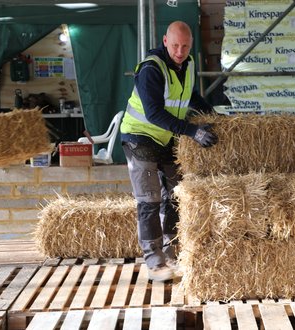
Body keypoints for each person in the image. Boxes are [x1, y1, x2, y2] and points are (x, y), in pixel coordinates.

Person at [120, 21, 217, 282]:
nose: (179, 50)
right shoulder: (152, 68)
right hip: (139, 137)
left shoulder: (188, 64)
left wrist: (212, 115)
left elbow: (189, 96)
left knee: (176, 195)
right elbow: (153, 113)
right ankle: (154, 261)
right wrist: (193, 131)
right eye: (175, 45)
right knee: (149, 199)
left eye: (185, 46)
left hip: (166, 138)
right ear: (165, 41)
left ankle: (171, 250)